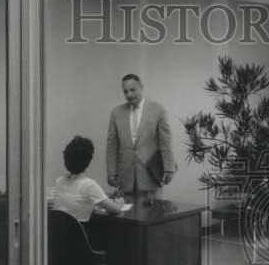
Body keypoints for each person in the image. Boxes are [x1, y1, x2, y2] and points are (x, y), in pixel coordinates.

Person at [105, 73, 176, 204]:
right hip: (125, 177)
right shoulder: (116, 113)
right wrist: (111, 172)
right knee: (127, 214)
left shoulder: (158, 109)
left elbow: (166, 142)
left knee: (152, 214)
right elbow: (112, 145)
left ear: (141, 87)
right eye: (125, 91)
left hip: (151, 176)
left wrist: (169, 168)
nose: (129, 94)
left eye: (132, 90)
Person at [50, 136, 126, 224]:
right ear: (88, 161)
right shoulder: (89, 185)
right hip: (79, 232)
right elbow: (115, 210)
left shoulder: (59, 181)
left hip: (58, 232)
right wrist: (119, 202)